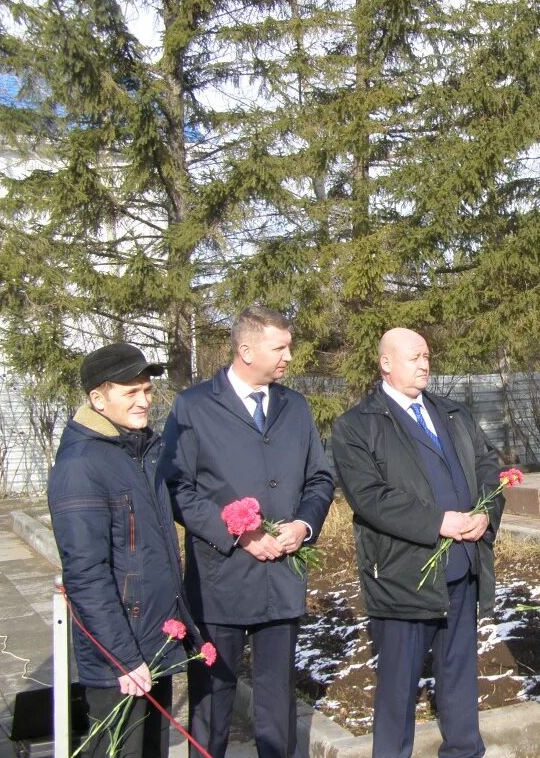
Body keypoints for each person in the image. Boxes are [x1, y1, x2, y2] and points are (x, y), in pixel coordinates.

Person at [160, 306, 334, 758]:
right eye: (280, 347)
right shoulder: (194, 407)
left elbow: (319, 477)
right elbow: (177, 488)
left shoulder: (294, 406)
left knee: (278, 701)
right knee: (212, 705)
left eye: (289, 346)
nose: (289, 357)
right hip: (221, 580)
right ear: (245, 350)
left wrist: (304, 525)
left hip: (282, 577)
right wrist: (238, 534)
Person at [331, 327, 501, 758]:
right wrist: (437, 522)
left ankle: (465, 750)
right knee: (398, 686)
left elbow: (487, 465)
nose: (424, 364)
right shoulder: (356, 426)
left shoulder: (452, 413)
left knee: (460, 673)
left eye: (427, 355)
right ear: (386, 363)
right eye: (414, 357)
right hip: (404, 575)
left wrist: (485, 512)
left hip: (462, 566)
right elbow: (370, 498)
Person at [48, 343, 188, 758]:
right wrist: (123, 659)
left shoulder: (138, 450)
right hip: (120, 659)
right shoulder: (81, 465)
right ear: (97, 398)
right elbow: (86, 575)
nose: (144, 401)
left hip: (152, 642)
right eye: (130, 393)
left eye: (146, 390)